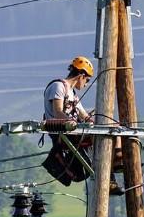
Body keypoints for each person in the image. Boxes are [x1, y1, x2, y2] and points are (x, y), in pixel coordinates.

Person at [41, 56, 124, 195]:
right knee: (102, 138)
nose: (85, 84)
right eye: (87, 80)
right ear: (81, 75)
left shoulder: (73, 95)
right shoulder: (58, 86)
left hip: (74, 131)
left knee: (113, 129)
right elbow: (58, 112)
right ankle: (111, 173)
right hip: (62, 132)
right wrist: (72, 122)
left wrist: (95, 121)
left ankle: (117, 163)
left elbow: (83, 115)